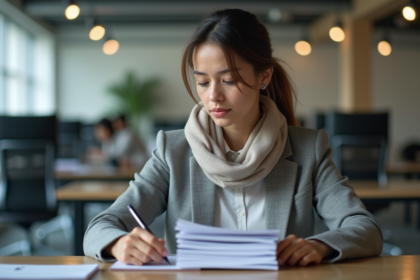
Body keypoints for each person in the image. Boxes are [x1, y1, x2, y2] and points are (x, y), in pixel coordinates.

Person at [84, 9, 382, 267]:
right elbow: (101, 226)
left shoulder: (307, 149)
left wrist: (319, 246)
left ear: (263, 77)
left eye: (228, 80)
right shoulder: (172, 151)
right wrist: (119, 244)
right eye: (202, 81)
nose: (213, 96)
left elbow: (364, 227)